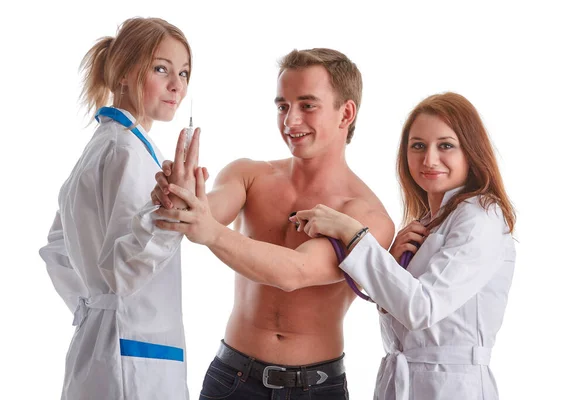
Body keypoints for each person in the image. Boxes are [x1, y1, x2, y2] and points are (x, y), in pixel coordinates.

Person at [150, 48, 395, 399]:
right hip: (231, 378)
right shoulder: (249, 174)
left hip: (317, 389)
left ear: (346, 113)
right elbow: (207, 211)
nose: (290, 121)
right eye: (283, 106)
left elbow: (295, 272)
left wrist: (208, 229)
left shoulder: (368, 216)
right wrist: (183, 196)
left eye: (307, 105)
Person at [291, 92, 517, 400]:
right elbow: (406, 316)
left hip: (453, 387)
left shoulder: (480, 217)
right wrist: (393, 266)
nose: (429, 159)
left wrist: (353, 233)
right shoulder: (428, 221)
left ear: (471, 151)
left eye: (446, 145)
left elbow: (421, 310)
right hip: (403, 382)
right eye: (418, 146)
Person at [38, 17, 199, 400]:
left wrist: (90, 309)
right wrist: (166, 216)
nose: (177, 84)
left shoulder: (105, 144)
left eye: (185, 72)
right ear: (125, 72)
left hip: (103, 343)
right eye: (162, 69)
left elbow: (57, 246)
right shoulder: (126, 150)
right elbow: (121, 265)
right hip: (131, 357)